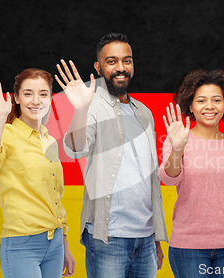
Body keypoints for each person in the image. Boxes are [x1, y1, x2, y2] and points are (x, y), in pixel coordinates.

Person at [55, 32, 168, 278]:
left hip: (146, 238)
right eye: (111, 61)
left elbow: (149, 178)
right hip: (108, 237)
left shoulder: (144, 112)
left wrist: (157, 238)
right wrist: (81, 109)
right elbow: (75, 148)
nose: (120, 68)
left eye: (126, 61)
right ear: (98, 66)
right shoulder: (91, 105)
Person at [0, 69, 75, 278]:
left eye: (43, 94)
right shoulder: (8, 133)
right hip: (22, 244)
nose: (36, 101)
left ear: (50, 98)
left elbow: (55, 197)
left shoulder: (49, 140)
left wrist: (64, 245)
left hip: (55, 242)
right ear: (16, 97)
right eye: (28, 93)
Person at [158, 68, 224, 278]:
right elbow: (168, 179)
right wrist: (177, 148)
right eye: (201, 100)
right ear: (190, 106)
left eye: (216, 100)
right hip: (188, 247)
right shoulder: (177, 140)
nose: (209, 106)